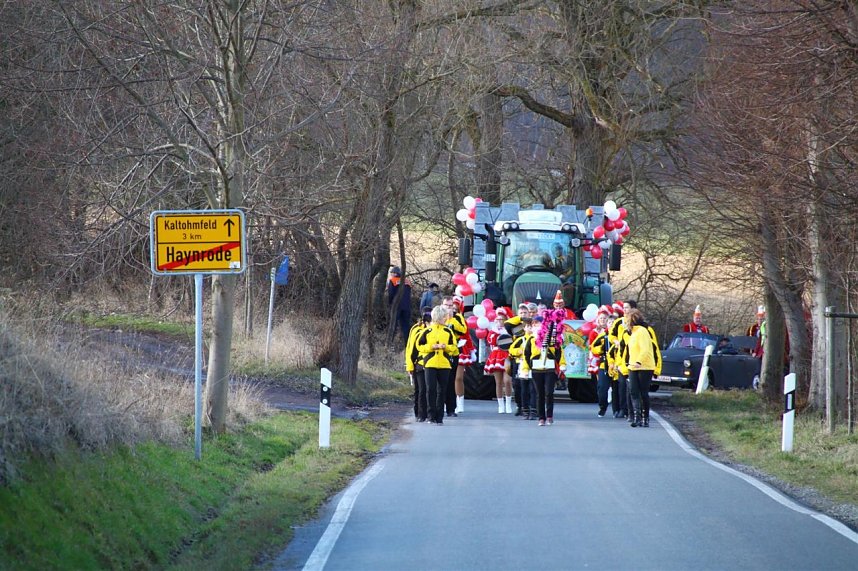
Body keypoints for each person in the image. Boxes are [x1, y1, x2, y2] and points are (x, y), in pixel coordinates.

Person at [416, 305, 459, 425]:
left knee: (442, 390)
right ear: (439, 317)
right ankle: (431, 416)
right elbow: (419, 346)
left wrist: (447, 347)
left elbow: (455, 348)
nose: (446, 318)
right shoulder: (427, 331)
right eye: (444, 316)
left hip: (445, 364)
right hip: (430, 363)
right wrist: (431, 347)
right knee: (431, 389)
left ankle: (439, 417)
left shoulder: (448, 331)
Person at [529, 309, 567, 426]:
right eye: (535, 324)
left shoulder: (552, 338)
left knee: (549, 392)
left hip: (549, 369)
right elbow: (527, 355)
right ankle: (541, 417)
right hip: (536, 369)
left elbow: (559, 352)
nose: (537, 326)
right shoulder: (531, 340)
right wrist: (527, 367)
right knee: (539, 394)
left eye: (539, 323)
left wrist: (562, 364)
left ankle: (549, 415)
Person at [625, 308, 661, 428]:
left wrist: (639, 361)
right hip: (632, 366)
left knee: (643, 392)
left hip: (644, 366)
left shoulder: (642, 331)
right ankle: (637, 417)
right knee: (633, 391)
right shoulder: (632, 333)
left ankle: (645, 417)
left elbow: (645, 349)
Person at [443, 295, 471, 415]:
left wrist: (452, 319)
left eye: (451, 306)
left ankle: (451, 408)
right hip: (440, 350)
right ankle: (440, 405)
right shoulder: (438, 315)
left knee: (452, 379)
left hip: (453, 350)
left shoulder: (458, 317)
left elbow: (463, 330)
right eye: (447, 305)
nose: (449, 308)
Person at [485, 308, 513, 413]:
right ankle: (500, 405)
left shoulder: (509, 330)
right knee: (499, 382)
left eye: (501, 319)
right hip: (496, 355)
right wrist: (495, 331)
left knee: (507, 380)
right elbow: (490, 341)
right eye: (497, 319)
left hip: (507, 355)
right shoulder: (493, 331)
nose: (499, 321)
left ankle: (509, 403)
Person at [405, 311, 431, 422]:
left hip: (430, 364)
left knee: (428, 389)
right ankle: (419, 413)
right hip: (418, 364)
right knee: (420, 390)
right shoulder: (417, 331)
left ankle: (427, 413)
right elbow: (410, 349)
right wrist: (410, 367)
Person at [588, 306, 612, 417]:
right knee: (601, 387)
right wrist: (602, 348)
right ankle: (602, 406)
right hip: (602, 362)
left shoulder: (618, 333)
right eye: (601, 319)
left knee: (618, 388)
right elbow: (593, 347)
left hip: (616, 364)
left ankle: (620, 410)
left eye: (606, 319)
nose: (604, 321)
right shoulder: (599, 333)